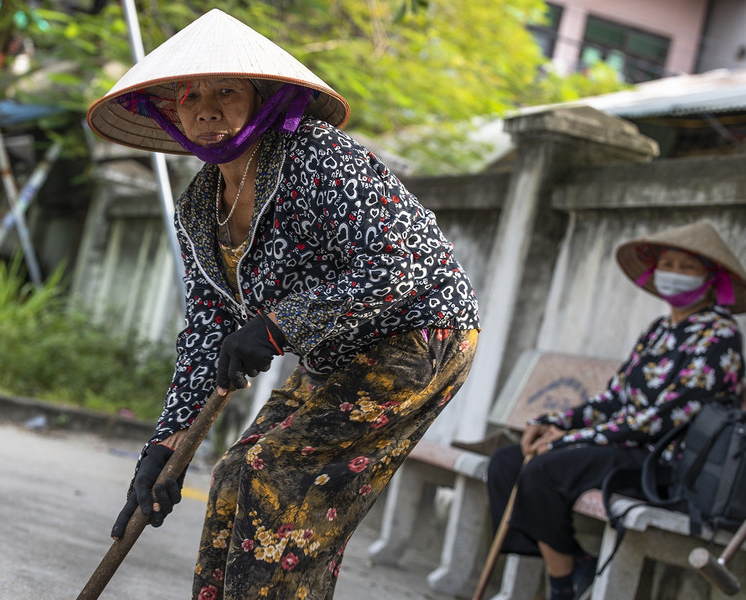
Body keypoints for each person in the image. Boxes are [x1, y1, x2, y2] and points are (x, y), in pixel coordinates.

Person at [86, 9, 480, 600]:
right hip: (335, 351)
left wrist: (278, 325)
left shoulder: (316, 154)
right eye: (190, 97)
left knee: (274, 478)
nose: (207, 109)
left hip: (420, 334)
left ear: (264, 100)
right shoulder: (198, 206)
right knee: (230, 476)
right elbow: (208, 326)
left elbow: (407, 266)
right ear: (170, 113)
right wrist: (165, 446)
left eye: (227, 92)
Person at [486, 220, 746, 600]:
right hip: (621, 445)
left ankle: (561, 589)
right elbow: (614, 399)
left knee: (543, 469)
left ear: (711, 279)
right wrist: (550, 423)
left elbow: (662, 418)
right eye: (668, 264)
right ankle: (575, 564)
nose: (673, 273)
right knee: (507, 462)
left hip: (664, 462)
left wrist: (571, 440)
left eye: (687, 267)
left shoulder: (720, 336)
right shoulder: (658, 329)